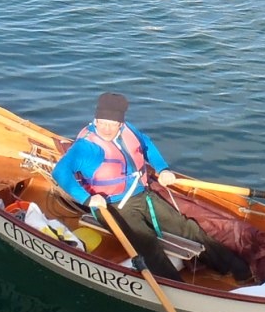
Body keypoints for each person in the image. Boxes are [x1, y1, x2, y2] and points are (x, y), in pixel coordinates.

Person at [52, 92, 252, 283]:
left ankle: (236, 268)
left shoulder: (128, 130)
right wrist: (87, 199)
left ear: (120, 123)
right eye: (101, 123)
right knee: (147, 244)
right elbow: (60, 172)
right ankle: (177, 288)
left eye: (111, 124)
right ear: (95, 121)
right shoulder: (86, 147)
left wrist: (162, 168)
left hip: (141, 195)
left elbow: (146, 145)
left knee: (185, 226)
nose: (105, 129)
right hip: (111, 206)